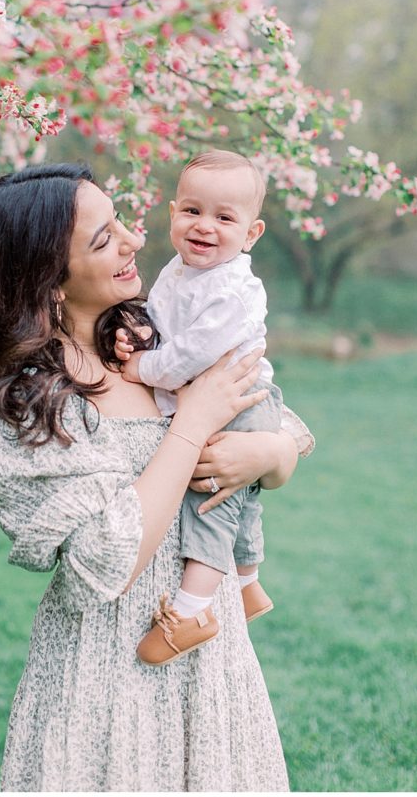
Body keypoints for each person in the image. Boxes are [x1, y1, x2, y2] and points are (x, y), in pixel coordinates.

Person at [0, 162, 313, 793]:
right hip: (109, 672)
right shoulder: (38, 401)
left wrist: (271, 457)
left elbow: (285, 427)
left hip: (207, 655)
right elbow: (102, 566)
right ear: (48, 284)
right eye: (103, 238)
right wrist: (191, 425)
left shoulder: (156, 338)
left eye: (121, 223)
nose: (135, 240)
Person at [114, 149, 285, 667]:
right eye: (192, 211)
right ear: (172, 213)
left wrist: (140, 368)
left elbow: (190, 355)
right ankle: (248, 579)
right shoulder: (179, 269)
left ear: (251, 234)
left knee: (211, 498)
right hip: (223, 395)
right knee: (242, 496)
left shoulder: (235, 289)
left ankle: (192, 609)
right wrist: (139, 334)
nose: (204, 226)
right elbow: (164, 322)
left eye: (224, 218)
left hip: (241, 401)